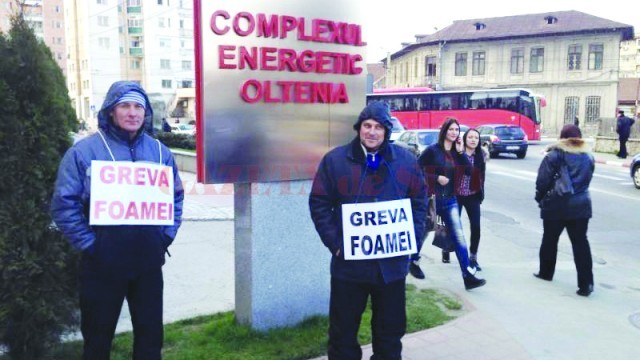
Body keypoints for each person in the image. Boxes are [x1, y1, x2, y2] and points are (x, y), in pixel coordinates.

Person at [51, 81, 184, 359]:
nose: (133, 113)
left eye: (139, 106)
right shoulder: (84, 151)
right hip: (102, 263)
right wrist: (91, 245)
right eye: (125, 105)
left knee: (150, 339)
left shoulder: (160, 152)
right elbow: (65, 205)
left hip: (147, 261)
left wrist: (165, 236)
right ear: (111, 111)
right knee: (97, 341)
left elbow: (176, 198)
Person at [309, 101, 427, 360]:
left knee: (390, 333)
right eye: (367, 126)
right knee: (342, 334)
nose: (372, 132)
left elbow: (420, 203)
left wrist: (412, 241)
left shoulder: (406, 161)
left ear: (386, 131)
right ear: (359, 128)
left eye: (378, 127)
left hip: (392, 267)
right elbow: (319, 203)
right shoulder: (335, 160)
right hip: (349, 267)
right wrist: (336, 244)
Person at [419, 118, 486, 290]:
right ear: (445, 131)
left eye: (457, 130)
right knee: (423, 231)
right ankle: (410, 260)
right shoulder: (433, 151)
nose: (454, 132)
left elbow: (470, 173)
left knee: (459, 238)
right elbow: (416, 169)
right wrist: (435, 178)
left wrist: (462, 152)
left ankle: (468, 276)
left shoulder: (457, 153)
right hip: (432, 199)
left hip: (450, 201)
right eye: (451, 129)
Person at [534, 124, 594, 296]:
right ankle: (586, 284)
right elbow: (587, 179)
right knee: (581, 243)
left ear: (562, 137)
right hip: (581, 205)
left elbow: (543, 180)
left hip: (556, 205)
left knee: (550, 240)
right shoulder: (588, 156)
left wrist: (540, 197)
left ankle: (546, 273)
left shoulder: (554, 155)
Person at [456, 128, 486, 271]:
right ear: (465, 139)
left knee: (476, 227)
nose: (473, 140)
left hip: (473, 196)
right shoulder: (457, 154)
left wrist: (481, 194)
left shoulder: (480, 156)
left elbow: (482, 177)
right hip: (457, 195)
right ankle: (447, 248)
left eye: (476, 138)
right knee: (453, 227)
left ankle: (473, 257)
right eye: (470, 137)